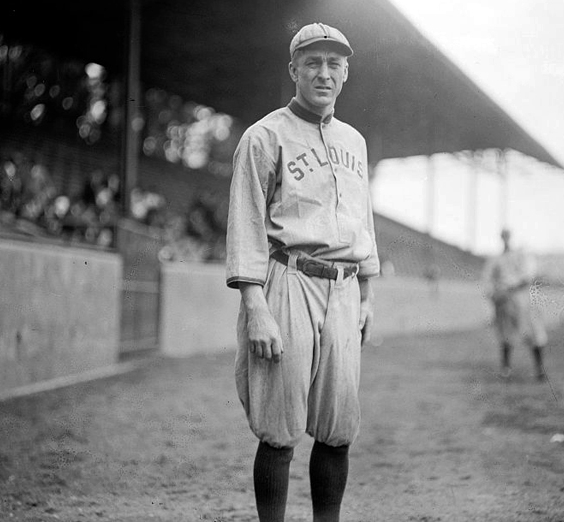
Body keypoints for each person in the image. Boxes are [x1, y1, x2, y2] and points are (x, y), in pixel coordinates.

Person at [225, 23, 379, 522]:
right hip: (288, 281)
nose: (324, 73)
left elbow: (363, 223)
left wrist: (368, 295)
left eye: (334, 64)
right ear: (293, 70)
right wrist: (256, 307)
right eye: (313, 62)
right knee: (279, 427)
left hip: (344, 288)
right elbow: (246, 225)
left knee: (338, 428)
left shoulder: (354, 141)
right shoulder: (263, 136)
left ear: (346, 73)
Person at [482, 228, 547, 381]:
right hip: (504, 302)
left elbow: (528, 276)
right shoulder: (496, 259)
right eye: (503, 236)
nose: (505, 239)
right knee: (505, 335)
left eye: (507, 236)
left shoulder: (521, 255)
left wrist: (511, 287)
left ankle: (539, 369)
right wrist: (494, 294)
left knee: (534, 334)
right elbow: (487, 281)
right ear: (500, 238)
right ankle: (506, 368)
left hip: (522, 300)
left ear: (510, 237)